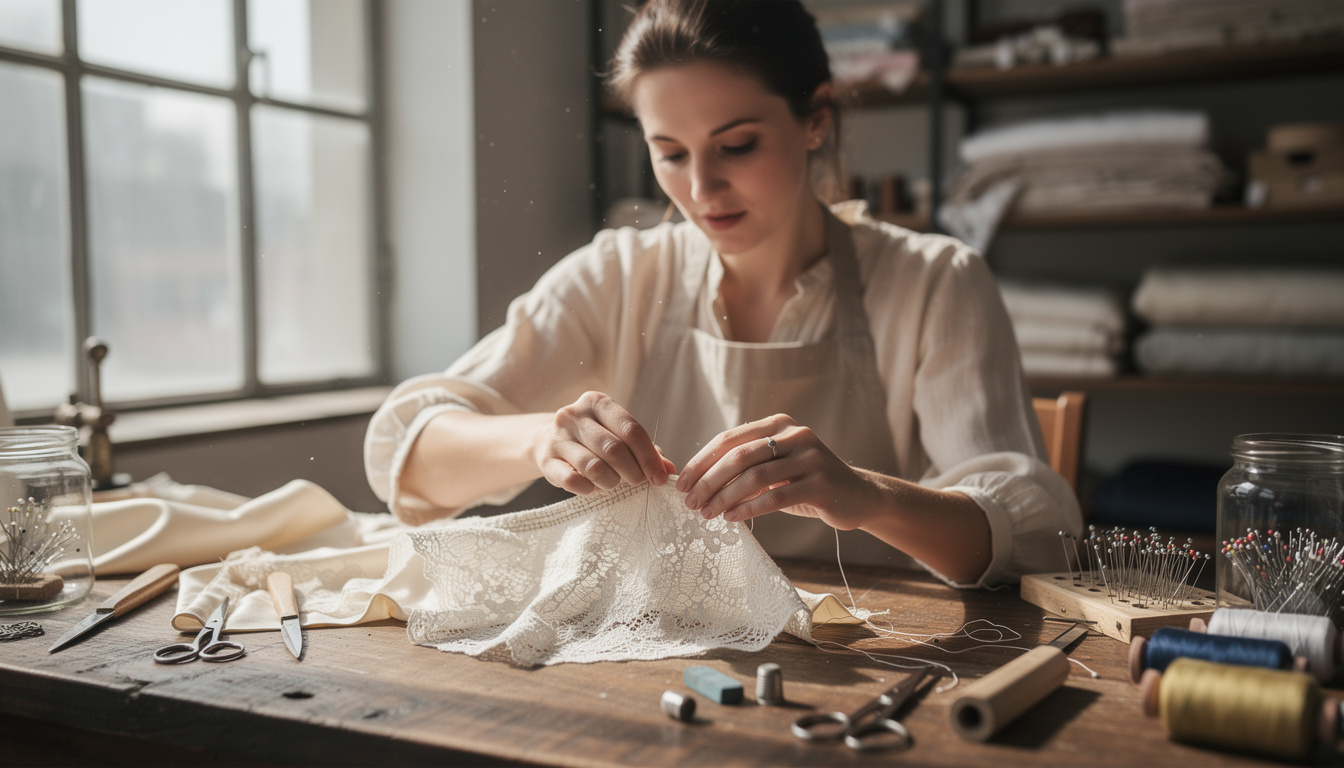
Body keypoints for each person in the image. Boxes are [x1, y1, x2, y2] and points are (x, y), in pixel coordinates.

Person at [365, 0, 1080, 587]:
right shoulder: (619, 275)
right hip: (660, 655)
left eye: (736, 145)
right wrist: (540, 437)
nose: (701, 191)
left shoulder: (934, 284)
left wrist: (862, 495)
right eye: (670, 154)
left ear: (816, 121)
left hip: (872, 665)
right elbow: (408, 452)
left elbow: (1034, 534)